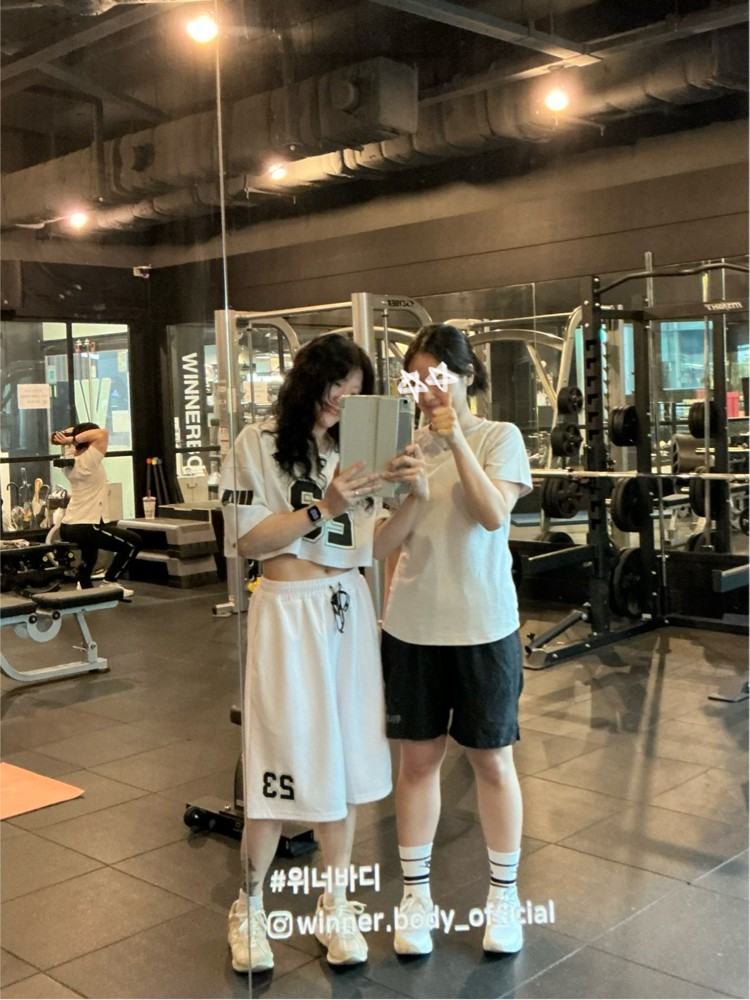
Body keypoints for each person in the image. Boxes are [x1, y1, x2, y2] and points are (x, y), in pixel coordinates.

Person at [220, 333, 427, 974]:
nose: (344, 398)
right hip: (286, 611)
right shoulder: (256, 444)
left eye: (357, 391)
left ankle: (334, 903)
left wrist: (416, 495)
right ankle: (250, 906)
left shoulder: (353, 452)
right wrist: (324, 504)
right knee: (278, 759)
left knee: (349, 761)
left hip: (348, 608)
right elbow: (249, 541)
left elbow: (374, 546)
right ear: (310, 380)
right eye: (339, 384)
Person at [380, 323, 533, 957]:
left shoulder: (500, 437)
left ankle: (504, 898)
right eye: (415, 380)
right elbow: (385, 545)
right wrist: (408, 488)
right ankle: (415, 898)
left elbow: (492, 515)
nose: (427, 390)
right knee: (417, 763)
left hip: (484, 626)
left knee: (491, 762)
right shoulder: (404, 448)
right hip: (413, 627)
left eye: (437, 377)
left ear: (467, 376)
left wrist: (455, 441)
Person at [51, 422, 140, 597]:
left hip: (69, 525)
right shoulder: (88, 461)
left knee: (90, 548)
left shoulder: (70, 458)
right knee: (133, 543)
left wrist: (68, 437)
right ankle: (110, 581)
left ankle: (84, 583)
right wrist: (73, 438)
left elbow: (67, 435)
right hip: (85, 525)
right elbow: (103, 433)